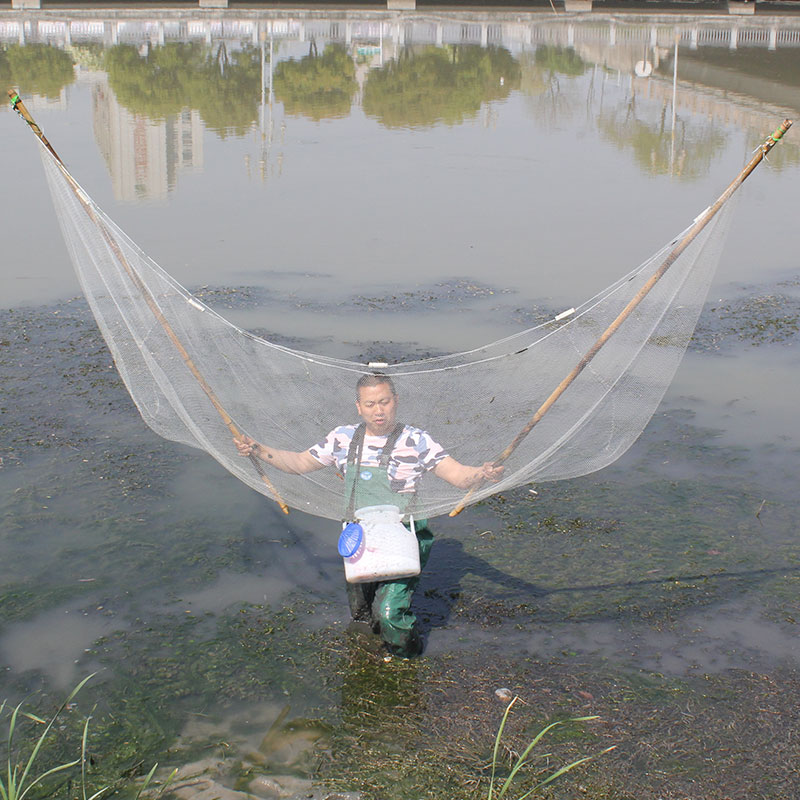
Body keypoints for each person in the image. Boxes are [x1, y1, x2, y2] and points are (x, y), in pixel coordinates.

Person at [234, 373, 503, 658]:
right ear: (358, 407)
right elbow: (299, 462)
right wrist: (258, 450)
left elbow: (459, 476)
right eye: (370, 403)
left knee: (388, 612)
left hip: (404, 534)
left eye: (384, 402)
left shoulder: (416, 440)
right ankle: (370, 655)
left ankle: (407, 656)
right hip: (359, 535)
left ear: (396, 402)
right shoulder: (342, 438)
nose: (378, 410)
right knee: (362, 612)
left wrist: (482, 474)